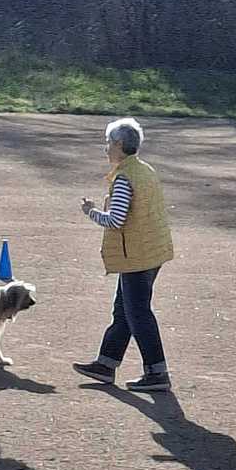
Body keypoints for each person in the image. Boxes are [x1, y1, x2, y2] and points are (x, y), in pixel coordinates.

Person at [73, 118, 174, 391]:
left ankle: (157, 372)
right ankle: (106, 364)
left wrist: (91, 212)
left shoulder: (123, 178)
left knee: (137, 313)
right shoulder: (144, 170)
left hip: (136, 255)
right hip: (151, 250)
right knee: (124, 310)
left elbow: (115, 220)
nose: (106, 148)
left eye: (108, 143)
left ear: (119, 144)